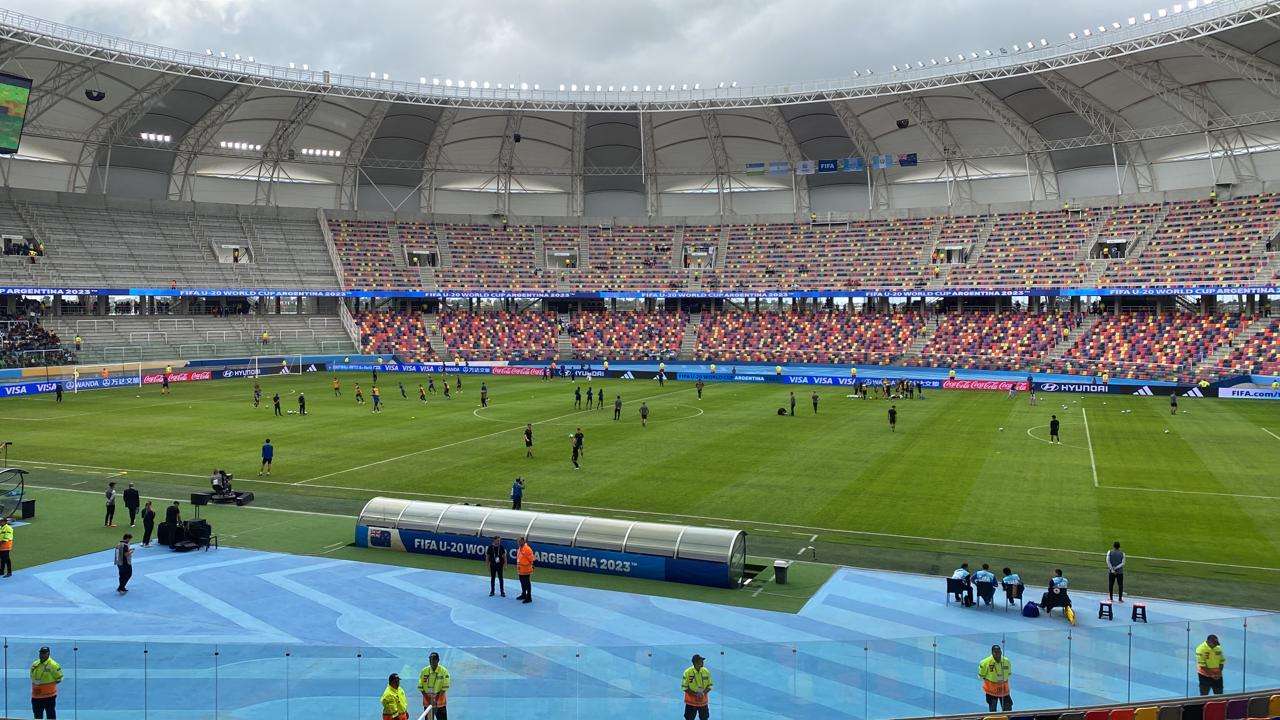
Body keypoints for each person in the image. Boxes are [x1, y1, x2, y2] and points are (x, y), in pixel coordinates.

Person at [30, 646, 62, 719]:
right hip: (36, 696)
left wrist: (48, 687)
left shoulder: (53, 665)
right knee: (37, 717)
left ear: (48, 654)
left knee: (50, 716)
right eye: (41, 653)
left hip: (49, 696)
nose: (42, 655)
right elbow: (32, 676)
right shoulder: (35, 664)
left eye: (44, 653)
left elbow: (59, 678)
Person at [416, 652, 451, 720]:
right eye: (430, 660)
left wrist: (436, 699)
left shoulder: (444, 671)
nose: (432, 661)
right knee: (429, 718)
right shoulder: (424, 671)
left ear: (438, 660)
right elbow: (420, 686)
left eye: (434, 659)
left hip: (440, 703)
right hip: (428, 701)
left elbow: (445, 686)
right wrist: (428, 699)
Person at [978, 645, 1013, 712]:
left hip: (1004, 690)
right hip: (991, 691)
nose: (998, 654)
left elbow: (1008, 673)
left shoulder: (1006, 661)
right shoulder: (985, 662)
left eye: (999, 652)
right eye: (995, 652)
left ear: (1001, 652)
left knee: (1008, 708)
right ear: (992, 652)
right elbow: (982, 675)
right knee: (993, 709)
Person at [681, 654, 714, 720]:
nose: (702, 662)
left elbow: (710, 685)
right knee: (689, 718)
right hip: (691, 702)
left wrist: (703, 693)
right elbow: (684, 687)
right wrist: (695, 694)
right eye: (701, 661)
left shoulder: (706, 671)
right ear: (695, 663)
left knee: (704, 718)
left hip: (703, 702)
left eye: (702, 661)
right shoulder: (687, 672)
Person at [516, 536, 535, 603]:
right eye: (518, 541)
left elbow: (532, 559)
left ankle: (529, 597)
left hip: (526, 569)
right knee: (522, 583)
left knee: (527, 583)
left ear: (523, 541)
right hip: (520, 569)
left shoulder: (527, 549)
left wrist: (529, 566)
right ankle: (524, 594)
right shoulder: (520, 548)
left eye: (520, 541)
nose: (518, 543)